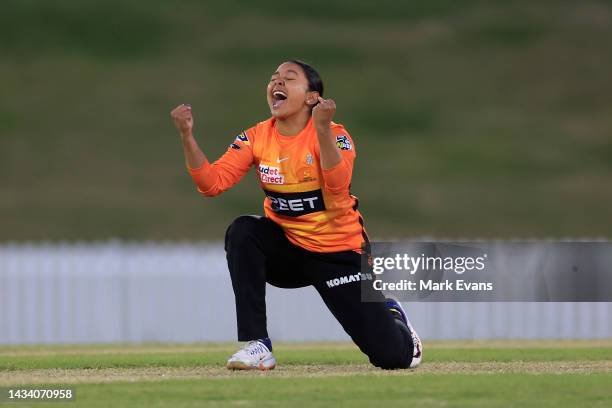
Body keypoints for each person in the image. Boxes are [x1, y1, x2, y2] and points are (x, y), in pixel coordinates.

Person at [170, 60, 422, 370]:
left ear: (311, 97)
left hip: (338, 253)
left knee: (393, 358)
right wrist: (187, 136)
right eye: (274, 78)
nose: (277, 83)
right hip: (288, 251)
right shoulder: (257, 136)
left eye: (289, 78)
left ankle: (392, 316)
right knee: (243, 231)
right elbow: (211, 184)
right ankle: (258, 345)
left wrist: (322, 129)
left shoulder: (336, 135)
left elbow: (337, 185)